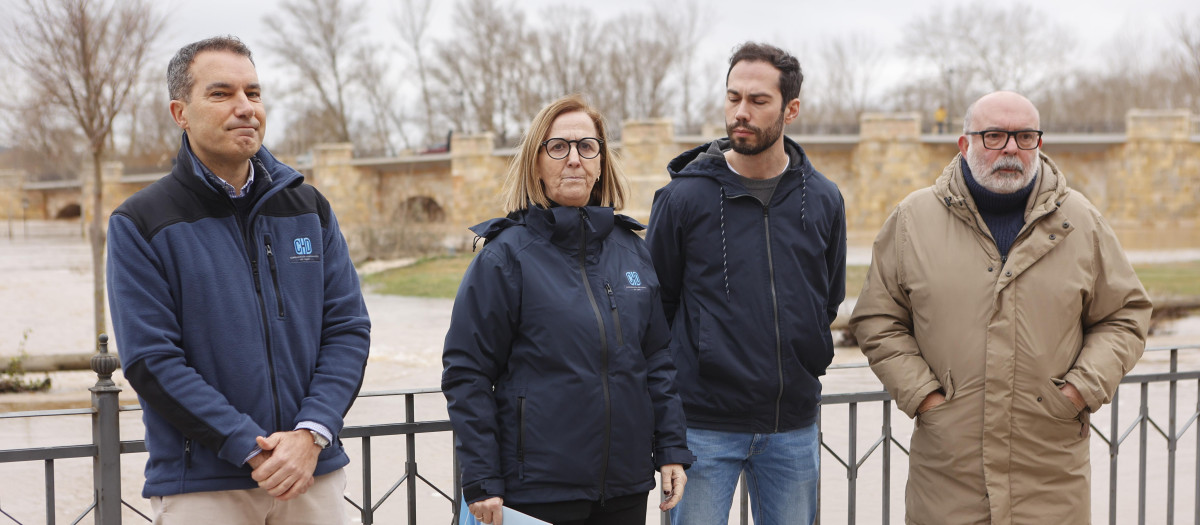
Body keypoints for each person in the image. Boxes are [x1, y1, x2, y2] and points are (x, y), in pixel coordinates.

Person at [849, 91, 1152, 524]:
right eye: (994, 135)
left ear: (1039, 144)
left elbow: (1125, 315)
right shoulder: (912, 220)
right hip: (948, 476)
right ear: (965, 143)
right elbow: (878, 318)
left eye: (1024, 136)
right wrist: (925, 396)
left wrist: (1078, 390)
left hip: (1050, 474)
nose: (1011, 148)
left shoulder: (1082, 222)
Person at [106, 36, 371, 524]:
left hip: (313, 474)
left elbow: (348, 329)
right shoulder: (141, 221)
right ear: (179, 112)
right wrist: (251, 448)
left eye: (254, 93)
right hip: (204, 486)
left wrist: (311, 434)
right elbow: (151, 359)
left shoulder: (308, 208)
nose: (245, 108)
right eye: (221, 93)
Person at [442, 94, 694, 525]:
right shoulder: (504, 258)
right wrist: (482, 477)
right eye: (558, 147)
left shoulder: (632, 251)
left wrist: (671, 448)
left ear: (601, 162)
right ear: (536, 162)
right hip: (538, 491)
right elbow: (467, 372)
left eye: (586, 146)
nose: (574, 159)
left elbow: (656, 362)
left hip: (625, 488)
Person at [647, 42, 847, 525]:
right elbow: (656, 309)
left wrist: (804, 358)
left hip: (792, 427)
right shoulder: (682, 198)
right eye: (733, 98)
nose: (741, 112)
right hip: (703, 428)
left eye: (758, 101)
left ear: (790, 109)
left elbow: (829, 298)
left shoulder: (823, 199)